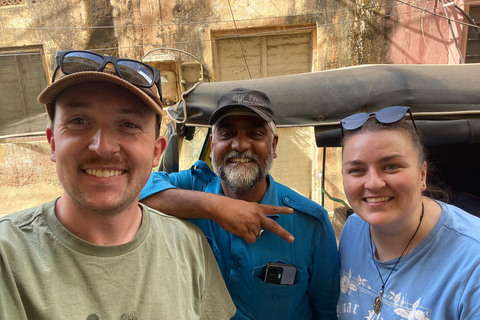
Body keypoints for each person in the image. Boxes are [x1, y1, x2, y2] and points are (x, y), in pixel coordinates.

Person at [0, 50, 235, 319]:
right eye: (79, 121)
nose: (103, 147)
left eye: (128, 124)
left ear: (156, 152)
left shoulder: (189, 247)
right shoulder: (8, 258)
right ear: (53, 142)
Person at [140, 88, 340, 319]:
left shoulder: (311, 222)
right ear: (213, 143)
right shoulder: (191, 188)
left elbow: (328, 311)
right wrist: (213, 206)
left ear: (273, 145)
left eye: (255, 134)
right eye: (227, 134)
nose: (240, 145)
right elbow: (134, 188)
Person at [336, 106, 480, 319]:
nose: (374, 183)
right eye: (357, 170)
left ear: (422, 174)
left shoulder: (472, 260)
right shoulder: (353, 229)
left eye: (391, 166)